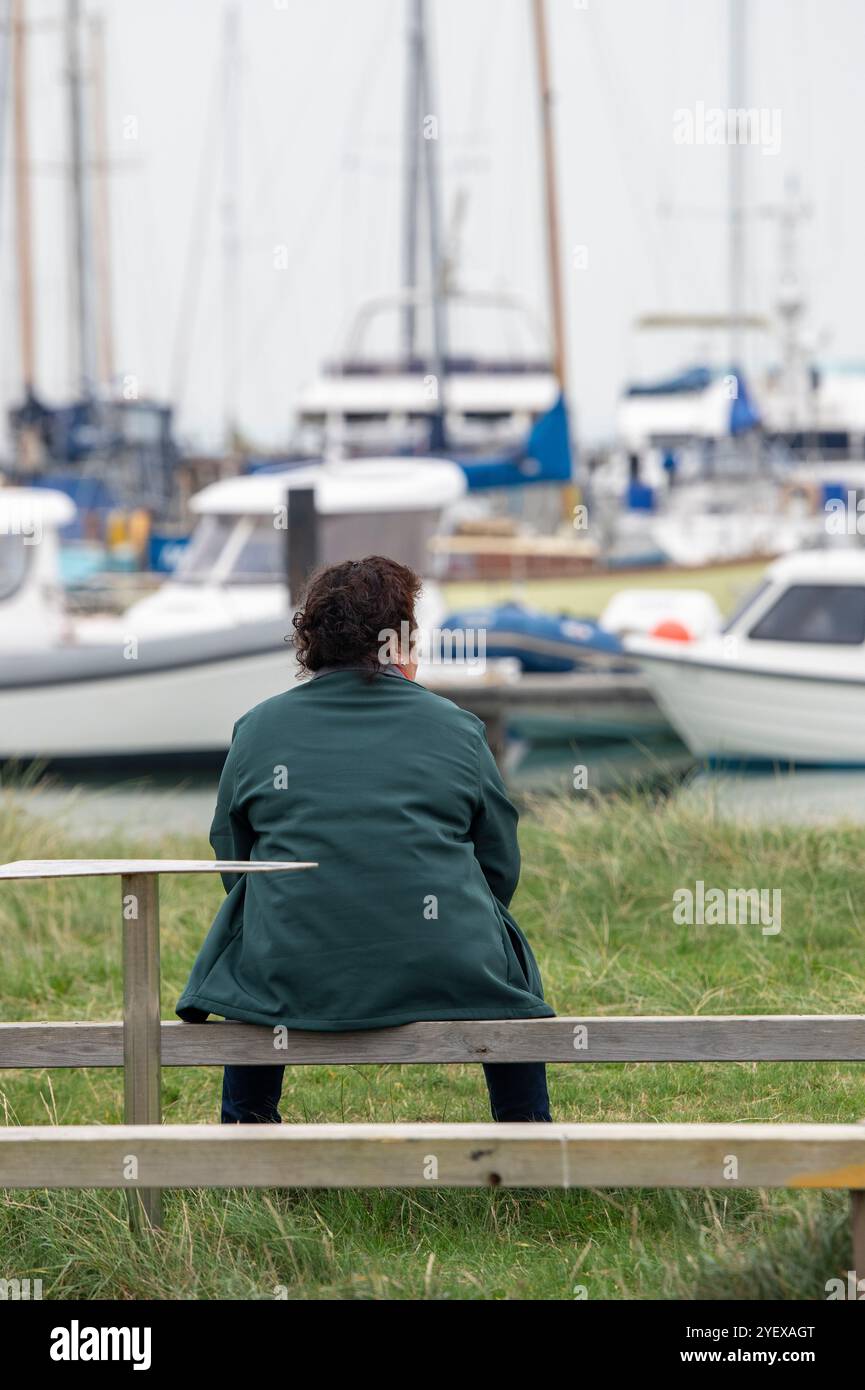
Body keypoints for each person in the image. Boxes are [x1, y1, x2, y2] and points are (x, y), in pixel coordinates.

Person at [177, 555, 554, 1123]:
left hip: (289, 963)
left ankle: (247, 1130)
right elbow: (498, 861)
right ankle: (525, 1133)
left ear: (311, 638)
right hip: (448, 961)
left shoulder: (257, 728)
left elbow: (235, 859)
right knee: (514, 965)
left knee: (253, 936)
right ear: (402, 638)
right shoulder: (457, 727)